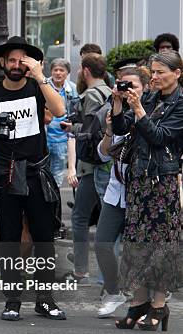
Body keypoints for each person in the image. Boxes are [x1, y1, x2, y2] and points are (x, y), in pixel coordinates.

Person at [0, 36, 66, 321]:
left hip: (36, 172)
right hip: (6, 174)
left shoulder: (36, 87)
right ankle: (12, 300)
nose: (16, 65)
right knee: (10, 239)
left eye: (21, 60)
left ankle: (45, 299)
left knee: (44, 238)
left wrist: (40, 76)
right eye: (11, 60)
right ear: (2, 63)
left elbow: (60, 110)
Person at [112, 51, 183, 331]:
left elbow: (160, 137)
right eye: (152, 72)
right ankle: (138, 302)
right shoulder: (150, 97)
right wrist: (118, 105)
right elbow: (121, 127)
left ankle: (158, 306)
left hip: (162, 182)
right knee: (136, 245)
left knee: (161, 247)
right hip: (139, 180)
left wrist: (139, 109)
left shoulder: (180, 103)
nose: (153, 78)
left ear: (177, 73)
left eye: (160, 73)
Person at [94, 66, 150, 317]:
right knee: (103, 244)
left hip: (144, 192)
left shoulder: (152, 113)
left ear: (145, 88)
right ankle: (114, 290)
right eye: (122, 85)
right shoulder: (116, 112)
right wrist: (110, 126)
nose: (127, 91)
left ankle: (145, 299)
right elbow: (103, 152)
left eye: (133, 86)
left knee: (138, 249)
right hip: (116, 190)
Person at [61, 53, 112, 285]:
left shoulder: (92, 94)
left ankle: (81, 270)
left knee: (80, 217)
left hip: (92, 165)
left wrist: (72, 127)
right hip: (108, 162)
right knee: (105, 216)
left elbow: (90, 130)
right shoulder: (110, 92)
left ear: (85, 71)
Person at [46, 58, 78, 186]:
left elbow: (75, 111)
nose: (58, 73)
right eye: (55, 70)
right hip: (45, 136)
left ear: (67, 73)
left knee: (57, 174)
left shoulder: (72, 88)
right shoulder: (45, 86)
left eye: (62, 70)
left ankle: (54, 201)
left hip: (62, 139)